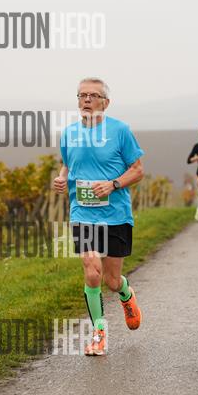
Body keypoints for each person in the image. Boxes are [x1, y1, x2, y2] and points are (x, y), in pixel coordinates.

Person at [53, 77, 144, 356]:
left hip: (115, 215)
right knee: (92, 272)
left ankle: (126, 294)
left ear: (106, 102)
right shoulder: (69, 133)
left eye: (93, 95)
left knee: (111, 281)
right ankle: (99, 333)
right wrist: (61, 178)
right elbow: (67, 164)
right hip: (82, 213)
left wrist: (113, 184)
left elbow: (137, 170)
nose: (87, 100)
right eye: (82, 95)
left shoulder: (120, 131)